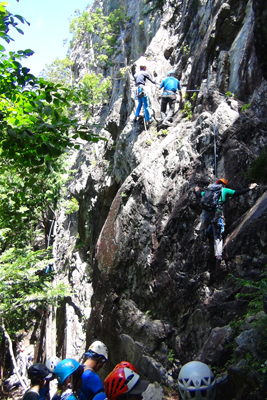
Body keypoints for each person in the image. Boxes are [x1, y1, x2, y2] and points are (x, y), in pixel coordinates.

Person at [195, 179, 257, 261]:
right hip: (217, 213)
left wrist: (197, 190)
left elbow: (199, 195)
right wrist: (250, 188)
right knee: (218, 233)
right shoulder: (224, 190)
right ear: (224, 185)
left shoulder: (209, 190)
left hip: (207, 213)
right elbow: (237, 193)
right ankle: (218, 255)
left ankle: (207, 232)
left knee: (211, 225)